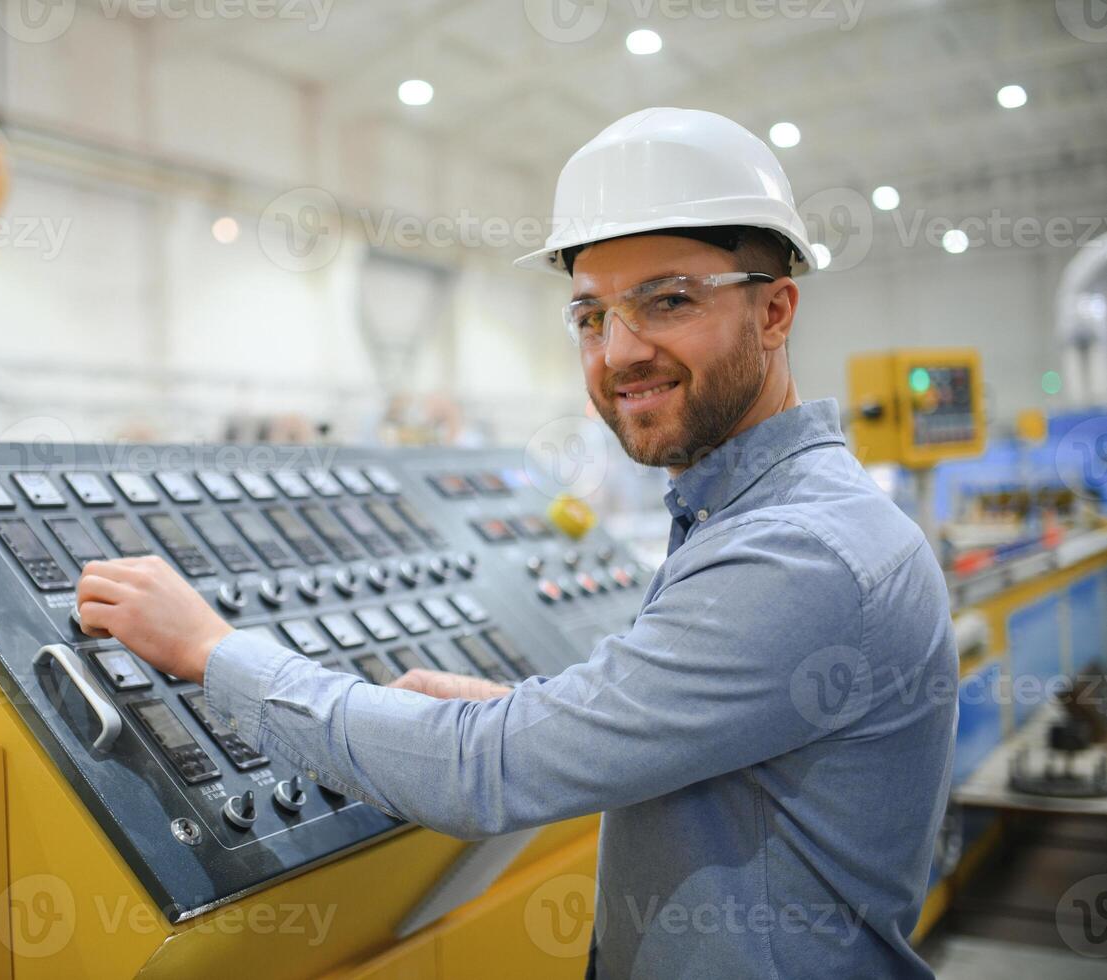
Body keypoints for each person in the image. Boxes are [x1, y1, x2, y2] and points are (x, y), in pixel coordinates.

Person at [77, 107, 958, 978]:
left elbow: (483, 774)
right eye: (588, 316)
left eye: (667, 300)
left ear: (774, 313)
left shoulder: (797, 551)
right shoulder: (750, 517)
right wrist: (514, 708)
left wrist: (213, 652)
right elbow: (697, 741)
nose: (618, 353)